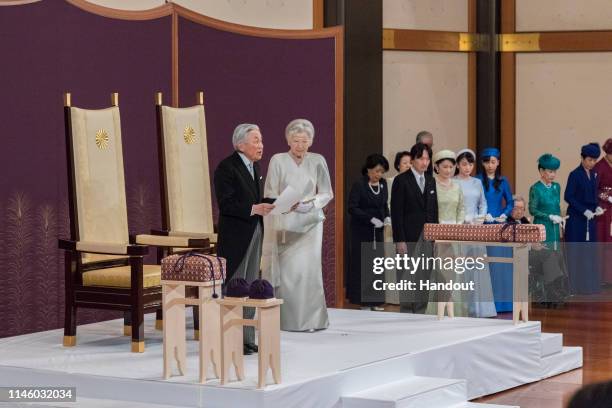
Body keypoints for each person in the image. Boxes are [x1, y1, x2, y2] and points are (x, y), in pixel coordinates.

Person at [261, 119, 332, 331]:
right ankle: (285, 320)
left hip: (311, 222)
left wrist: (311, 204)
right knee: (289, 273)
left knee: (309, 271)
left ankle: (312, 320)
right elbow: (270, 192)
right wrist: (288, 204)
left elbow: (327, 192)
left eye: (304, 141)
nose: (300, 145)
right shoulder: (278, 160)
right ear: (288, 141)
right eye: (295, 140)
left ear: (311, 141)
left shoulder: (318, 160)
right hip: (285, 223)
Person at [214, 123, 275, 355]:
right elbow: (226, 204)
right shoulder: (226, 168)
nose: (261, 145)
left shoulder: (254, 166)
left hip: (255, 231)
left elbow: (256, 198)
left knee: (250, 287)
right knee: (235, 286)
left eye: (261, 140)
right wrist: (254, 208)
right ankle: (231, 338)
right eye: (256, 140)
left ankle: (247, 339)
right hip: (236, 237)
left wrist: (278, 202)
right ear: (240, 144)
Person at [391, 143, 438, 313]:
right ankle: (406, 310)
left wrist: (435, 236)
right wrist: (400, 240)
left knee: (424, 274)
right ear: (412, 160)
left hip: (427, 235)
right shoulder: (401, 180)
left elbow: (434, 210)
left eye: (427, 158)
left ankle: (421, 311)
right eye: (421, 158)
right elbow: (396, 213)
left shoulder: (431, 180)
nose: (425, 162)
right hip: (407, 235)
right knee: (406, 274)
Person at [454, 148, 496, 318]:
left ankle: (479, 308)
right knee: (460, 267)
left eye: (470, 164)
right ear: (457, 165)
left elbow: (483, 203)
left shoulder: (477, 182)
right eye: (464, 164)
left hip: (476, 228)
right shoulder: (452, 182)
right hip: (460, 228)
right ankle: (461, 307)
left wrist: (480, 216)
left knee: (476, 266)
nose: (467, 168)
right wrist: (464, 218)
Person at [426, 150, 466, 317]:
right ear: (436, 167)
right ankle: (436, 312)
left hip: (454, 235)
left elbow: (461, 208)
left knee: (452, 275)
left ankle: (451, 312)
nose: (448, 170)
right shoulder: (431, 185)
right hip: (437, 234)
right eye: (445, 166)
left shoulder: (457, 187)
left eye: (451, 166)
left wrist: (458, 224)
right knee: (439, 274)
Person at [347, 154, 391, 310]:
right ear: (368, 170)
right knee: (363, 265)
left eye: (381, 171)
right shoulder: (359, 185)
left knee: (376, 265)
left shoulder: (384, 184)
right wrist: (370, 219)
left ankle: (375, 300)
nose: (379, 175)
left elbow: (384, 204)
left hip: (377, 231)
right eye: (376, 171)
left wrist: (387, 217)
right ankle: (363, 301)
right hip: (361, 230)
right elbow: (352, 208)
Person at [477, 147, 514, 312]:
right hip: (484, 225)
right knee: (487, 264)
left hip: (499, 226)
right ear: (483, 163)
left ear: (498, 162)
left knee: (501, 265)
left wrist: (505, 214)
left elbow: (510, 202)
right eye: (487, 162)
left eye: (493, 162)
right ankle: (487, 305)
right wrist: (482, 215)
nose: (490, 165)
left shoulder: (503, 181)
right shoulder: (477, 180)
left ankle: (503, 303)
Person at [565, 142, 604, 295]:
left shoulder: (594, 174)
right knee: (576, 253)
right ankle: (575, 287)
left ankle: (590, 286)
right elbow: (568, 196)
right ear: (582, 158)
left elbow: (594, 195)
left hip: (590, 220)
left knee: (589, 253)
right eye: (589, 160)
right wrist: (583, 210)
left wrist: (597, 207)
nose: (592, 163)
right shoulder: (574, 174)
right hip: (576, 220)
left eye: (594, 160)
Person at [384, 151, 412, 305]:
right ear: (397, 165)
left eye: (410, 162)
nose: (408, 165)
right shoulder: (390, 181)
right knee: (393, 261)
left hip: (410, 226)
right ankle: (393, 297)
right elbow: (387, 202)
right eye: (404, 162)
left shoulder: (415, 181)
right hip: (392, 225)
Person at [594, 138, 612, 284]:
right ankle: (604, 277)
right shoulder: (599, 166)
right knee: (605, 241)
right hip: (604, 210)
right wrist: (608, 197)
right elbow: (595, 189)